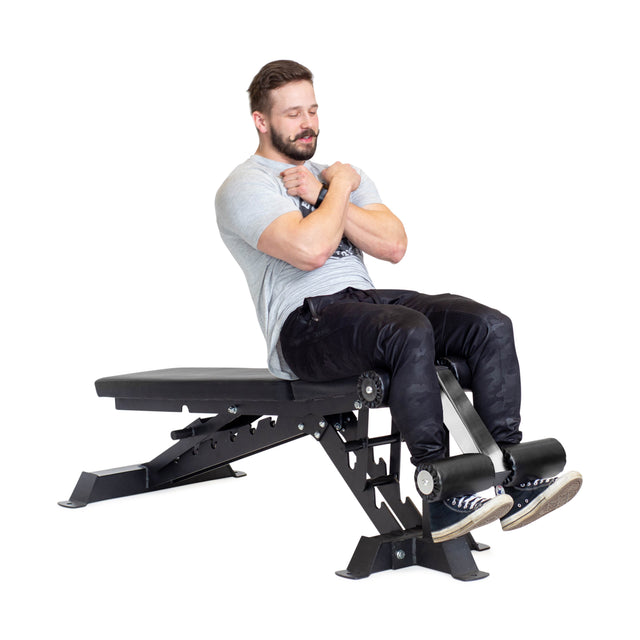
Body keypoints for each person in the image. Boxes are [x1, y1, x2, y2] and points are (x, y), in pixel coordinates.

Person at [215, 60, 581, 543]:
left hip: (367, 303)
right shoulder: (246, 185)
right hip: (305, 325)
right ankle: (443, 491)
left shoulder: (334, 175)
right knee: (407, 329)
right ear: (261, 121)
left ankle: (513, 471)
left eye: (313, 110)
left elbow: (393, 245)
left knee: (487, 325)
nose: (308, 124)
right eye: (292, 114)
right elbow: (310, 250)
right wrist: (341, 191)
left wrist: (327, 188)